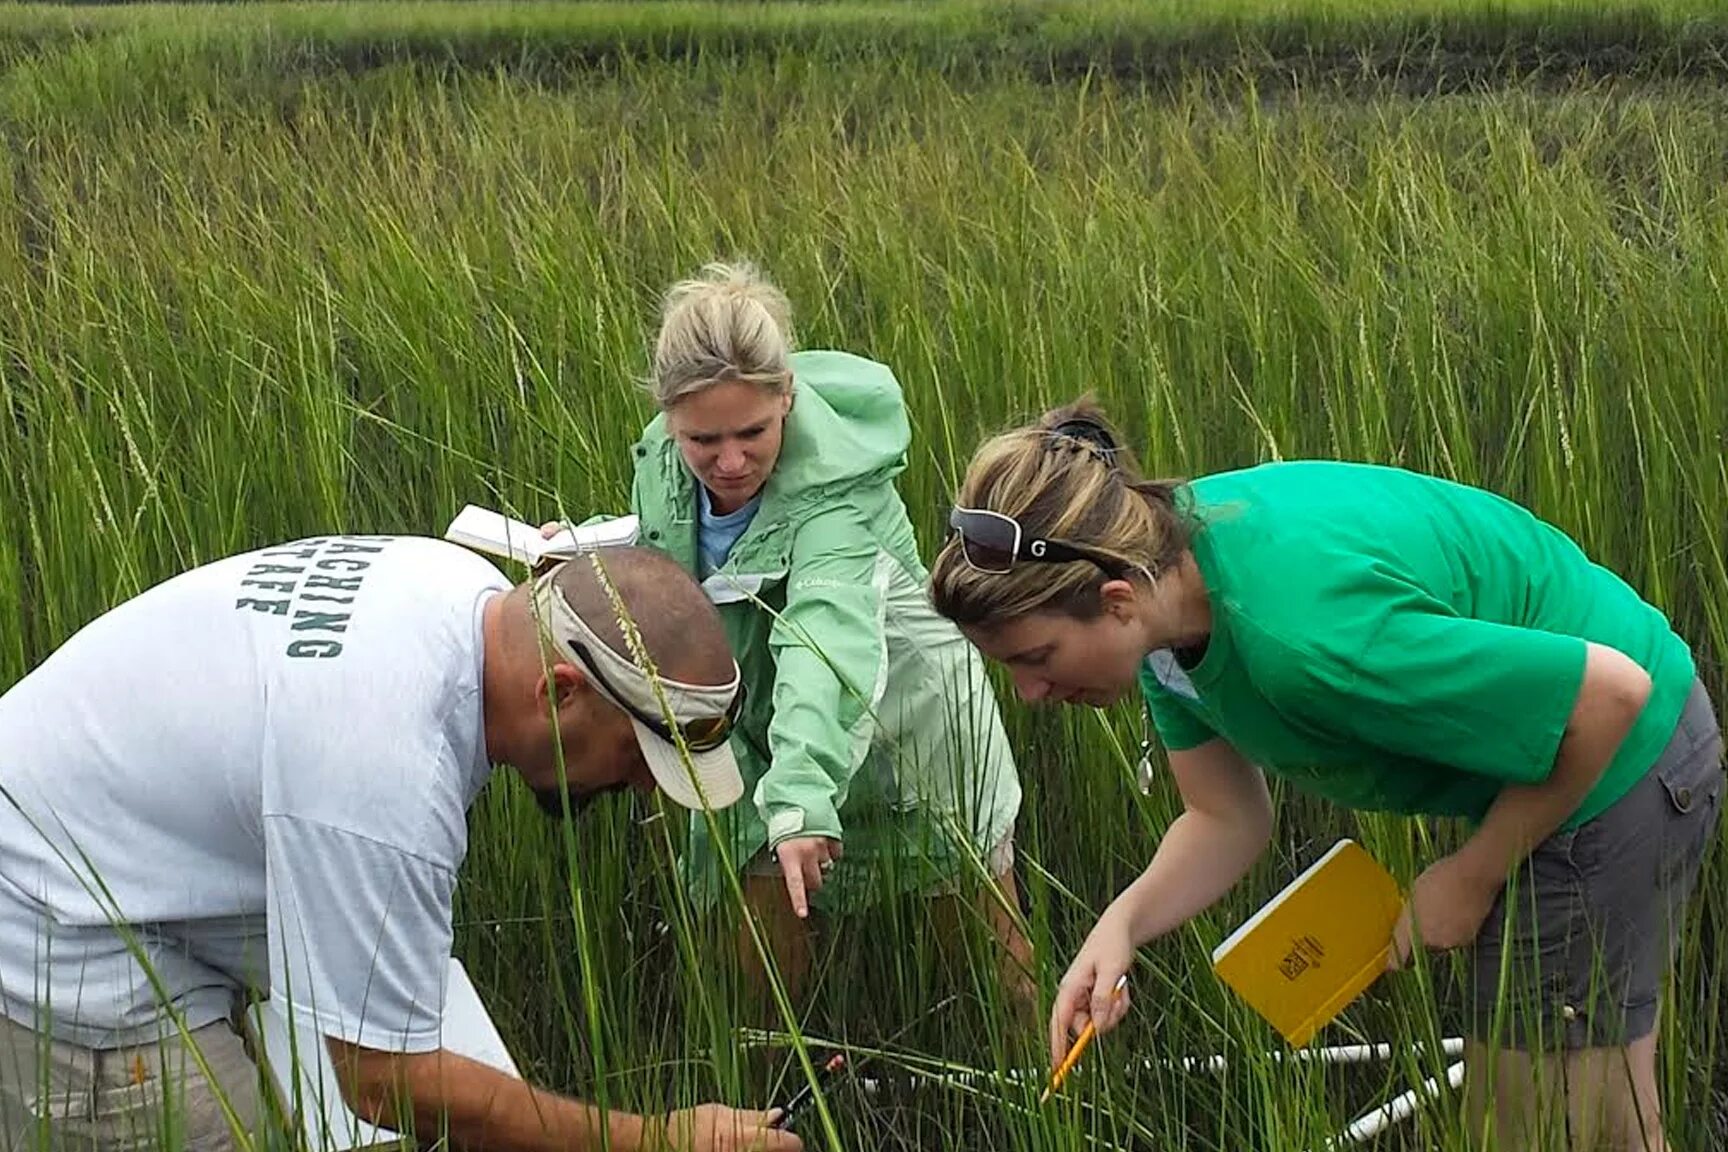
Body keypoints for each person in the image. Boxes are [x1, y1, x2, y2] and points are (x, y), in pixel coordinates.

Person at [927, 399, 1723, 1151]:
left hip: (1617, 770)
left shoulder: (1302, 642)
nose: (1030, 695)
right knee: (1607, 1122)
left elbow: (1611, 697)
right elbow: (1223, 818)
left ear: (1116, 599)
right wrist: (1122, 926)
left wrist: (1473, 875)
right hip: (1570, 748)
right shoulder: (1166, 599)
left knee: (1528, 1130)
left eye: (1036, 660)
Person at [0, 535, 802, 1152]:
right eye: (637, 756)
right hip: (64, 942)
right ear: (559, 694)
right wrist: (656, 1139)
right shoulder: (385, 766)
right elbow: (382, 1084)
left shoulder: (458, 590)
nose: (638, 789)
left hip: (97, 843)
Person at [547, 261, 1031, 1011]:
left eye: (753, 432)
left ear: (788, 400)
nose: (730, 462)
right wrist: (587, 559)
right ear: (668, 418)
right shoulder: (663, 467)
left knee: (993, 973)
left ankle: (1052, 1099)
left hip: (910, 739)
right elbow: (670, 562)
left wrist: (801, 799)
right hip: (763, 737)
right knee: (759, 982)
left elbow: (823, 641)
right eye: (703, 439)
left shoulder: (838, 496)